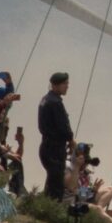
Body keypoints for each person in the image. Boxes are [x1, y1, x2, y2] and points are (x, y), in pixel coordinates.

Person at [37, 72, 72, 202]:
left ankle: (47, 206)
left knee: (52, 181)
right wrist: (70, 138)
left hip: (47, 146)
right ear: (55, 85)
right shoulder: (55, 102)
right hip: (54, 148)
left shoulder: (46, 99)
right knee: (56, 185)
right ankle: (53, 209)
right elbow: (62, 127)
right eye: (64, 84)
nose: (67, 86)